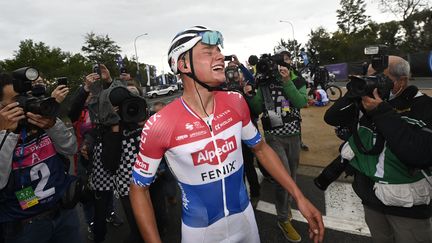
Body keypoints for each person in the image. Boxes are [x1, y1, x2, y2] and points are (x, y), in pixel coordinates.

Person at [130, 26, 324, 243]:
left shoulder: (235, 102)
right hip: (200, 232)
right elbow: (138, 188)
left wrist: (299, 196)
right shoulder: (160, 124)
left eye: (219, 50)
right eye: (208, 51)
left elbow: (260, 148)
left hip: (245, 220)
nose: (220, 56)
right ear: (183, 64)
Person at [324, 55, 432, 243]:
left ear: (401, 82)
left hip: (407, 207)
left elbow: (418, 154)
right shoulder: (366, 102)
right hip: (370, 198)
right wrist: (354, 92)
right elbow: (332, 118)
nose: (372, 83)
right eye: (369, 77)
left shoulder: (424, 107)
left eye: (379, 79)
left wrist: (382, 112)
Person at [0, 72, 81, 243]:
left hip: (63, 213)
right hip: (24, 226)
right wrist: (7, 133)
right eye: (17, 100)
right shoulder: (3, 135)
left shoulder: (41, 120)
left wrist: (52, 124)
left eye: (26, 96)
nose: (26, 103)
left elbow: (71, 148)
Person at [245, 46, 308, 242]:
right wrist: (250, 93)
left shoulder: (296, 78)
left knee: (292, 175)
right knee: (284, 177)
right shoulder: (263, 82)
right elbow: (256, 108)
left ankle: (286, 206)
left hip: (294, 135)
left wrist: (287, 81)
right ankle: (283, 219)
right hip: (273, 136)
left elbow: (300, 102)